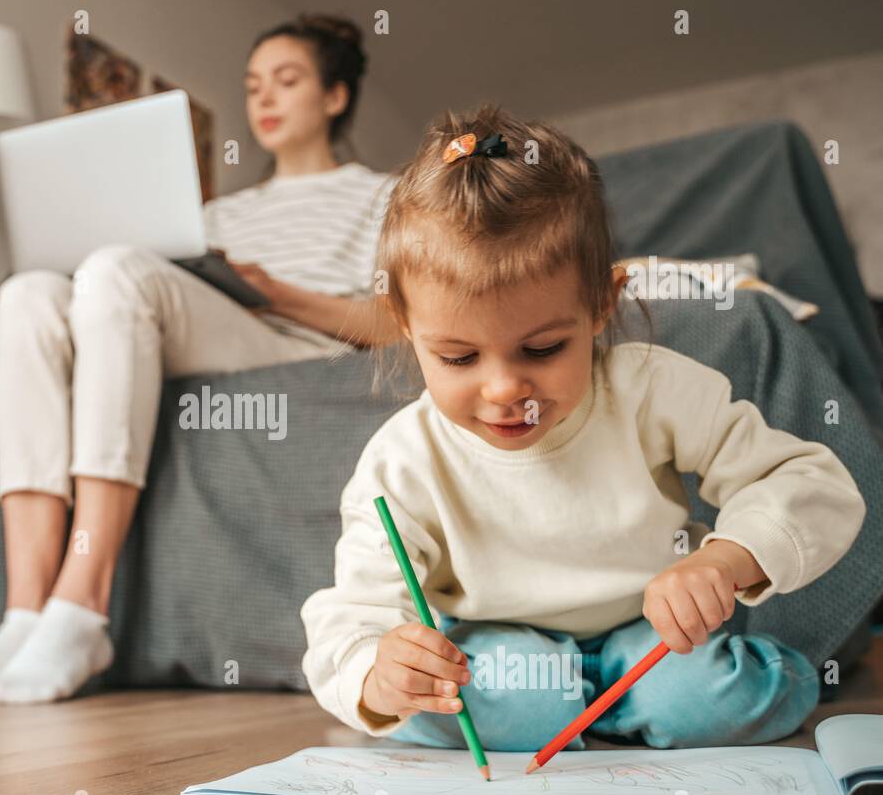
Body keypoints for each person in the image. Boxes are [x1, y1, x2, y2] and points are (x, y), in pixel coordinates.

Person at [300, 104, 867, 751]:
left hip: (647, 637)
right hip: (495, 651)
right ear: (406, 327)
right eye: (458, 357)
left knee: (711, 697)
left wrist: (726, 558)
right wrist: (380, 673)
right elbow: (354, 613)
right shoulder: (401, 460)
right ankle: (592, 709)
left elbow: (810, 479)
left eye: (541, 349)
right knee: (507, 701)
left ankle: (633, 701)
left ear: (604, 302)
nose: (504, 389)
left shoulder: (650, 387)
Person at [0, 14, 401, 706]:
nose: (263, 98)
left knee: (118, 271)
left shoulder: (381, 196)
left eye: (287, 82)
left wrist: (274, 291)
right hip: (195, 324)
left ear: (334, 97)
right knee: (25, 295)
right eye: (253, 84)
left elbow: (393, 323)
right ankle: (24, 616)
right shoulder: (221, 214)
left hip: (296, 342)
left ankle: (82, 608)